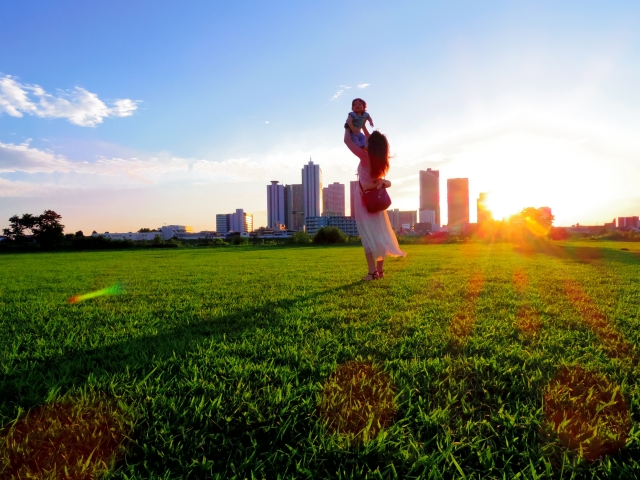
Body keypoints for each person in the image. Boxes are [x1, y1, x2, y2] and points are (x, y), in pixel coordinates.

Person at [344, 124, 406, 281]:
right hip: (377, 202)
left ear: (372, 145)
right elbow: (370, 140)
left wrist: (347, 127)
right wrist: (363, 126)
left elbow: (347, 142)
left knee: (368, 237)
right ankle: (380, 271)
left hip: (365, 202)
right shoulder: (379, 161)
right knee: (379, 236)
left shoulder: (365, 158)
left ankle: (372, 273)